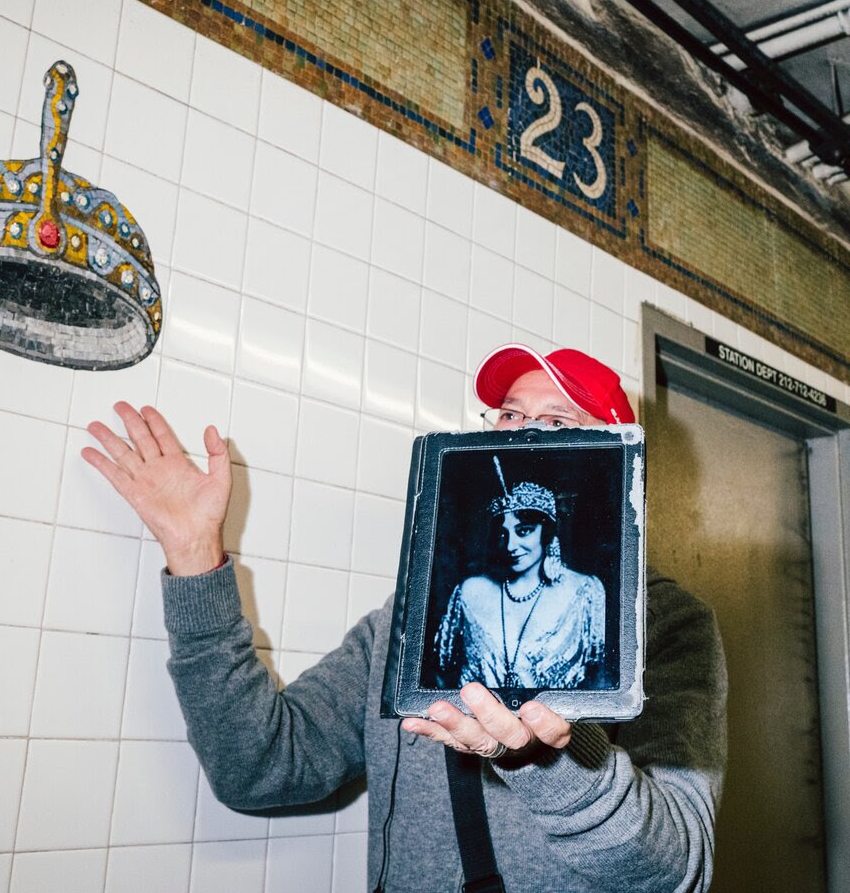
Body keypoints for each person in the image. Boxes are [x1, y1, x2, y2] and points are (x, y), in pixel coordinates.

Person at [82, 344, 727, 893]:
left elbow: (678, 868)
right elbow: (261, 767)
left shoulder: (664, 625)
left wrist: (549, 761)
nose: (521, 431)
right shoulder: (407, 620)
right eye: (509, 414)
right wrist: (195, 557)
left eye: (557, 420)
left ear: (611, 460)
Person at [434, 478, 606, 690]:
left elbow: (599, 679)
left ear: (547, 532)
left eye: (523, 531)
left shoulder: (583, 591)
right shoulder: (471, 591)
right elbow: (442, 674)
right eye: (502, 534)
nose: (510, 545)